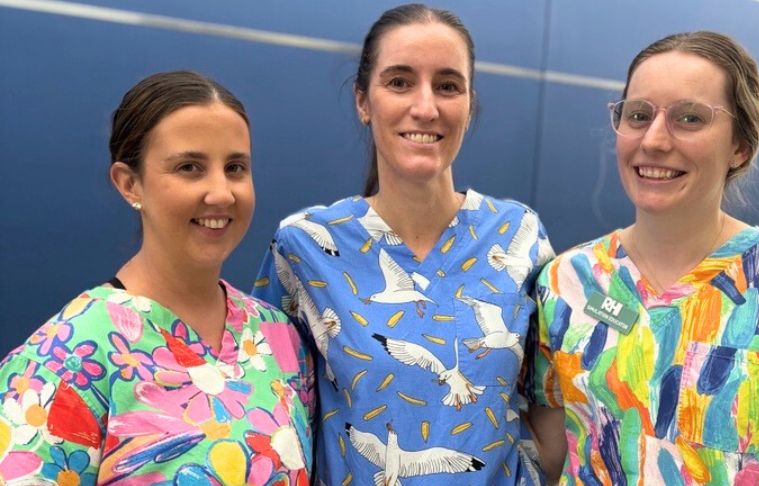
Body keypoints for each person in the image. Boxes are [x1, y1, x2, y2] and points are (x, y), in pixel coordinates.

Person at [528, 30, 759, 485]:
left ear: (741, 146)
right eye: (638, 114)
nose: (655, 139)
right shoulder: (567, 282)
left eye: (690, 118)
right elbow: (552, 456)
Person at [253, 4, 554, 484]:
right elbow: (270, 420)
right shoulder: (305, 245)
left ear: (470, 103)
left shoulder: (519, 236)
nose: (426, 106)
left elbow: (553, 412)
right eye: (399, 81)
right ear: (363, 101)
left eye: (448, 85)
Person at [0, 71, 313, 484]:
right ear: (130, 184)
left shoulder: (280, 340)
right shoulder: (70, 353)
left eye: (235, 167)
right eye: (189, 167)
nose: (221, 192)